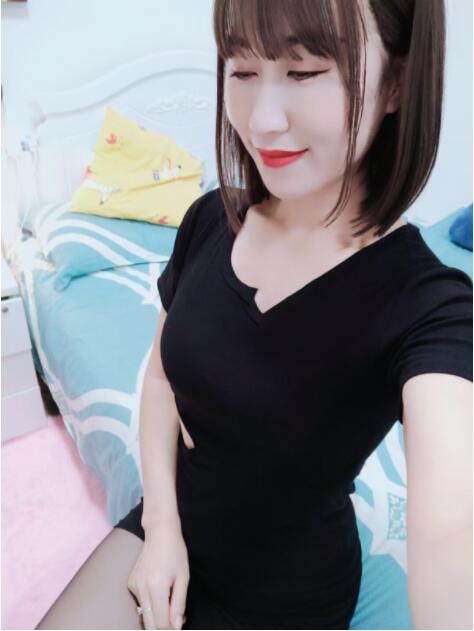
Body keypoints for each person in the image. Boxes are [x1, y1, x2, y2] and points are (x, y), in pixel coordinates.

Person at [35, 0, 473, 629]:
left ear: (398, 81)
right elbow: (159, 378)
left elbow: (452, 530)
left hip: (285, 596)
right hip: (168, 526)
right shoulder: (209, 219)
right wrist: (162, 527)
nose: (262, 120)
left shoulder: (430, 304)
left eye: (305, 71)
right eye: (241, 70)